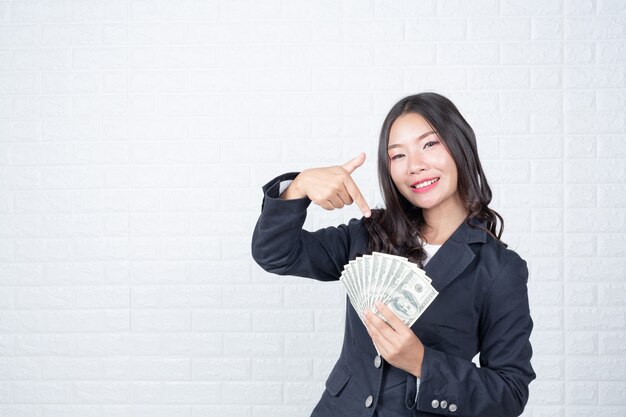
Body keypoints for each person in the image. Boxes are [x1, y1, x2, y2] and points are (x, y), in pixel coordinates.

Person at [251, 92, 535, 417]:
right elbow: (274, 253)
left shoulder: (500, 269)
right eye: (398, 155)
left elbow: (510, 393)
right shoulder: (368, 233)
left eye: (430, 144)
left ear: (460, 146)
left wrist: (422, 362)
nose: (414, 166)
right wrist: (298, 188)